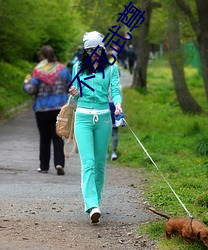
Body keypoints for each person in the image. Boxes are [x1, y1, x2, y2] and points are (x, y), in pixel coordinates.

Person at [69, 31, 122, 223]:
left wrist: (117, 104)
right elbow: (75, 96)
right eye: (89, 50)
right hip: (82, 118)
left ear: (102, 49)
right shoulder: (78, 67)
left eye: (95, 49)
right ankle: (91, 205)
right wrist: (74, 92)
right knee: (88, 163)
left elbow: (115, 90)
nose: (92, 53)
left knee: (100, 164)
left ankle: (96, 201)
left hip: (104, 119)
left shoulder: (111, 68)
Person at [23, 45, 71, 175]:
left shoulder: (38, 71)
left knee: (44, 138)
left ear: (42, 57)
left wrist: (26, 83)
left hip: (42, 109)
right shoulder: (63, 70)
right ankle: (59, 163)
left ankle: (44, 167)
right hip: (59, 109)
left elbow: (31, 90)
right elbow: (71, 86)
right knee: (58, 136)